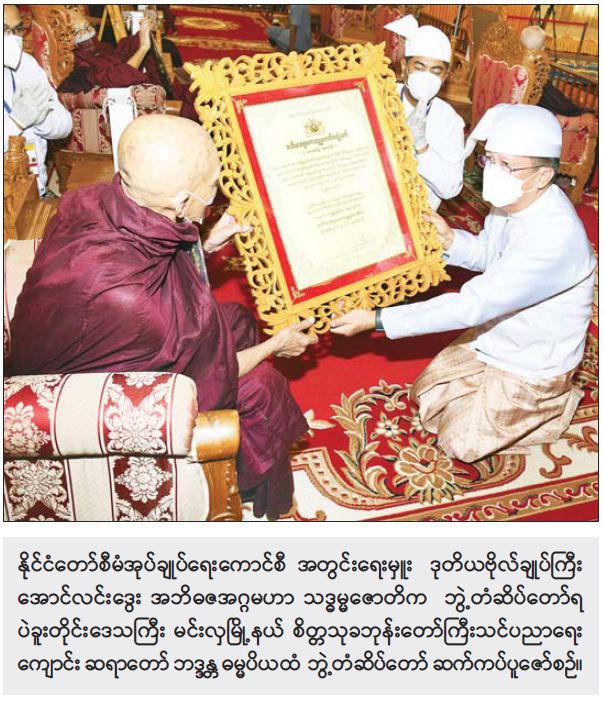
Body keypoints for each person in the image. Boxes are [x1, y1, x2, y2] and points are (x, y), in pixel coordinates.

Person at [10, 115, 318, 520]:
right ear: (181, 202)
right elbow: (207, 376)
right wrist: (277, 344)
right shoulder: (135, 305)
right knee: (264, 387)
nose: (216, 194)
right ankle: (237, 488)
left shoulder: (90, 199)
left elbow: (153, 256)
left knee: (238, 319)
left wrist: (207, 242)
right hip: (99, 396)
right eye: (212, 187)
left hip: (117, 332)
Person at [331, 104, 595, 463]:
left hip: (534, 359)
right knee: (427, 395)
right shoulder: (515, 199)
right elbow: (491, 255)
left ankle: (552, 406)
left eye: (507, 165)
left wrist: (376, 319)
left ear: (543, 176)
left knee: (459, 442)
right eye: (490, 160)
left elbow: (472, 305)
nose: (493, 172)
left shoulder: (554, 238)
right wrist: (451, 240)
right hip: (499, 331)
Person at [58, 5, 195, 120]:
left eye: (88, 27)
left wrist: (143, 34)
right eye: (82, 30)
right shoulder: (78, 64)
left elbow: (119, 55)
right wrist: (142, 48)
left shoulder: (97, 50)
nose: (89, 34)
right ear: (68, 38)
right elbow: (116, 77)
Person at [384, 14, 465, 211]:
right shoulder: (382, 96)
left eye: (435, 71)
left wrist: (421, 146)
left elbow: (451, 189)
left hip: (417, 210)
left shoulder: (450, 121)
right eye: (419, 68)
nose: (426, 77)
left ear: (444, 76)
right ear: (404, 67)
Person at [3, 4, 72, 195]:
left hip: (37, 190)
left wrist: (41, 119)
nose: (12, 38)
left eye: (17, 30)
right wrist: (15, 123)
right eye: (4, 30)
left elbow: (65, 125)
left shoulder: (26, 65)